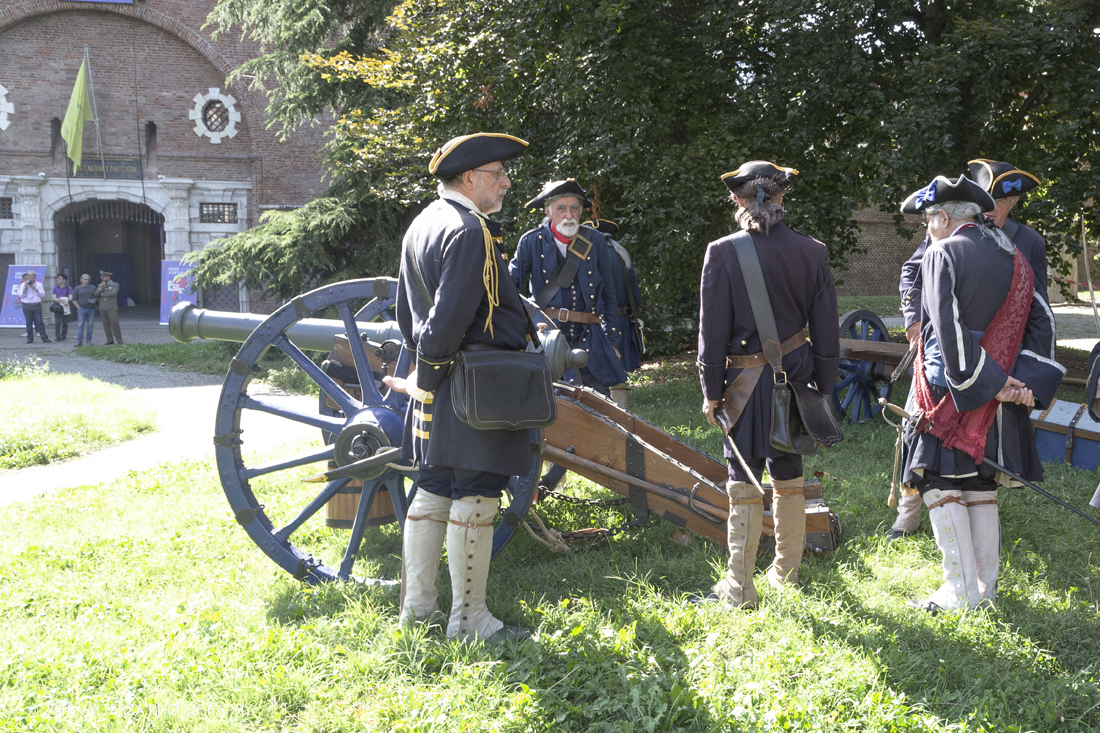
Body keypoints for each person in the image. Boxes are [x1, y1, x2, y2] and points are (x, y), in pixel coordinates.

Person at [383, 131, 532, 642]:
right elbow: (445, 322)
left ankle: (418, 612)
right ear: (470, 178)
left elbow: (409, 316)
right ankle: (469, 622)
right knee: (476, 491)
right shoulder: (469, 230)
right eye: (498, 174)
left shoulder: (424, 223)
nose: (507, 183)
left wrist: (424, 381)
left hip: (443, 380)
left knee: (435, 487)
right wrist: (428, 378)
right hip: (474, 384)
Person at [897, 174, 1063, 613]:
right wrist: (1021, 382)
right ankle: (984, 591)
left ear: (944, 217)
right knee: (978, 483)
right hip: (1000, 393)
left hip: (952, 390)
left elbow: (948, 333)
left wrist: (986, 383)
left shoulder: (943, 253)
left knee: (937, 482)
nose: (927, 231)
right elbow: (1043, 324)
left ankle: (959, 592)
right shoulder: (1016, 257)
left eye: (929, 222)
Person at [697, 161, 840, 608]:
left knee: (743, 479)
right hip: (796, 379)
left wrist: (711, 390)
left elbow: (712, 332)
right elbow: (827, 331)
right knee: (789, 474)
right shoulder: (812, 251)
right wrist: (824, 385)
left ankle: (740, 590)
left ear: (739, 199)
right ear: (781, 197)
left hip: (740, 384)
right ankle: (785, 575)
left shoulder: (721, 251)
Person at [510, 180, 627, 398]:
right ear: (548, 212)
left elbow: (610, 295)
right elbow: (509, 292)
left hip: (590, 340)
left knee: (600, 407)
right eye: (561, 208)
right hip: (548, 340)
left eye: (574, 208)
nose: (569, 214)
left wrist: (613, 343)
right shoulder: (531, 242)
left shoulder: (595, 240)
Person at [584, 218, 644, 407]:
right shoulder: (621, 255)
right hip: (623, 319)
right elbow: (636, 296)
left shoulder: (594, 256)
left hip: (601, 321)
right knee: (619, 372)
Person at [16, 270, 49, 344]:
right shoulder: (22, 285)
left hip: (36, 305)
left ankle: (44, 338)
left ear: (35, 277)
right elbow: (21, 295)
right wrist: (25, 287)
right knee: (29, 322)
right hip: (27, 305)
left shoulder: (38, 284)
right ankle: (30, 338)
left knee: (39, 321)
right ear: (27, 276)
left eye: (33, 275)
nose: (31, 277)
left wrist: (34, 288)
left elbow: (42, 294)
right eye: (29, 275)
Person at [95, 270, 123, 345]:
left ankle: (119, 339)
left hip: (111, 307)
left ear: (108, 277)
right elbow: (96, 295)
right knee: (106, 324)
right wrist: (100, 288)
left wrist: (103, 294)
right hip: (102, 307)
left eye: (104, 277)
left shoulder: (115, 284)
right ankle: (109, 339)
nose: (102, 278)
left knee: (114, 323)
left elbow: (113, 293)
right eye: (102, 277)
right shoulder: (100, 285)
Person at [73, 273, 97, 346]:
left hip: (91, 308)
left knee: (90, 325)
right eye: (85, 279)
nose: (86, 281)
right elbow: (74, 299)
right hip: (81, 309)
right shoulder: (77, 288)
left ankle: (88, 341)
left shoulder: (93, 288)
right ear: (81, 280)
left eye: (87, 279)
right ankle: (79, 341)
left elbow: (97, 297)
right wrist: (78, 308)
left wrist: (94, 300)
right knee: (80, 325)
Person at [52, 274, 74, 342]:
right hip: (58, 307)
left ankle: (64, 336)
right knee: (57, 322)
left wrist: (61, 300)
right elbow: (54, 298)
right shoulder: (55, 288)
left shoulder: (68, 288)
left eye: (60, 278)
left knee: (65, 322)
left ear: (64, 280)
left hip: (65, 307)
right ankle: (57, 337)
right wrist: (63, 301)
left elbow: (70, 298)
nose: (58, 280)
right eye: (57, 278)